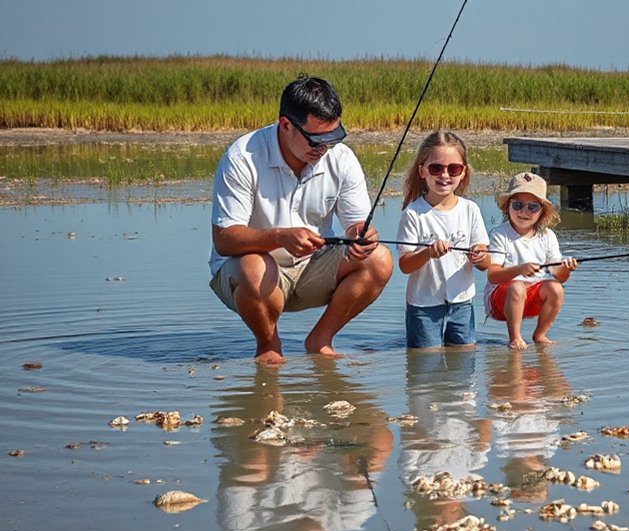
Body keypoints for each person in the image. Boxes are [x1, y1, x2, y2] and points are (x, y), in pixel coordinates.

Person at [209, 75, 393, 364]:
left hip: (312, 270)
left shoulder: (342, 159)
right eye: (316, 140)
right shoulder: (242, 156)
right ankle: (268, 344)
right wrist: (280, 237)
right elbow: (224, 239)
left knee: (379, 259)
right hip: (250, 276)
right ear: (285, 125)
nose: (324, 148)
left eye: (333, 138)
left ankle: (321, 340)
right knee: (255, 266)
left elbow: (355, 225)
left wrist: (361, 236)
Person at [396, 131, 490, 350]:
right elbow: (405, 265)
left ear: (463, 172)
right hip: (423, 306)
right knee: (425, 366)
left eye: (453, 169)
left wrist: (479, 255)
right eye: (436, 168)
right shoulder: (413, 214)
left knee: (465, 365)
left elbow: (486, 264)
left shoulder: (470, 210)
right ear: (422, 171)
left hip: (462, 303)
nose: (444, 175)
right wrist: (428, 253)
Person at [485, 172, 577, 350]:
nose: (524, 212)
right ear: (507, 207)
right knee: (517, 286)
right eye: (518, 205)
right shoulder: (499, 234)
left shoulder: (548, 236)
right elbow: (493, 275)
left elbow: (558, 275)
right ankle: (515, 337)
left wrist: (567, 268)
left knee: (556, 288)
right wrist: (520, 269)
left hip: (532, 298)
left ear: (541, 212)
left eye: (532, 207)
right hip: (501, 301)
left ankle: (540, 334)